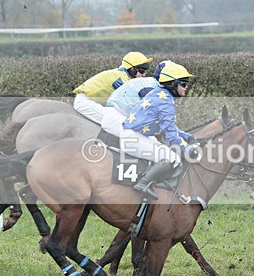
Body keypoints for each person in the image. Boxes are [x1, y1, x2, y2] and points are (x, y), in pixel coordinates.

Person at [120, 61, 196, 198]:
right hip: (133, 138)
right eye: (183, 84)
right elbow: (171, 136)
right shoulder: (165, 101)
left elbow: (168, 127)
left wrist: (186, 136)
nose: (186, 88)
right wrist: (189, 149)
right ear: (172, 84)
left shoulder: (160, 93)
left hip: (136, 135)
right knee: (171, 158)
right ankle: (142, 184)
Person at [72, 51, 152, 124]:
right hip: (86, 102)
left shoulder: (122, 75)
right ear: (132, 69)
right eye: (142, 71)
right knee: (119, 123)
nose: (144, 75)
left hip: (91, 101)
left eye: (145, 71)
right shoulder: (121, 78)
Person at [100, 61, 165, 139]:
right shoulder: (151, 86)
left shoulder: (148, 82)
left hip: (114, 116)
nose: (144, 74)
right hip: (117, 118)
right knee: (152, 143)